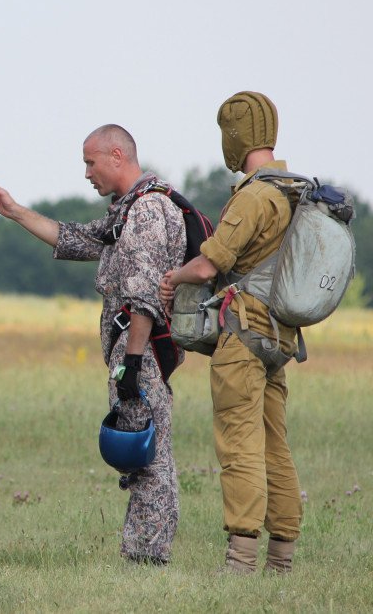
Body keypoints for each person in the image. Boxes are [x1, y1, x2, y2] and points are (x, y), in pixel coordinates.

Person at [0, 125, 186, 565]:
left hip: (140, 352)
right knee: (144, 452)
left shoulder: (147, 211)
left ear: (117, 155)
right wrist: (14, 210)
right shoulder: (125, 213)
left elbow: (144, 295)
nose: (87, 173)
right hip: (136, 351)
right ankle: (147, 554)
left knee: (144, 453)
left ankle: (146, 559)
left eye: (91, 162)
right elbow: (76, 238)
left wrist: (131, 363)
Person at [160, 92, 301, 574]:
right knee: (274, 446)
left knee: (238, 444)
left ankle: (240, 562)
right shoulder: (294, 191)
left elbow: (208, 265)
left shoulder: (255, 195)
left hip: (242, 336)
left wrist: (171, 279)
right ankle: (280, 562)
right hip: (280, 338)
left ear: (235, 136)